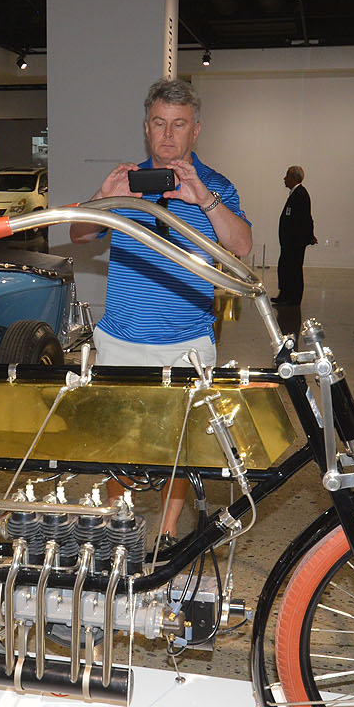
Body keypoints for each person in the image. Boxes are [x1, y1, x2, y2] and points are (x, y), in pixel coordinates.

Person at [69, 76, 252, 540]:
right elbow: (79, 235)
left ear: (196, 130)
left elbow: (242, 246)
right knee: (118, 444)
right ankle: (118, 529)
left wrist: (204, 201)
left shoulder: (216, 187)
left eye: (179, 125)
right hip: (122, 337)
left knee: (179, 450)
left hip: (187, 343)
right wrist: (102, 198)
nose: (168, 135)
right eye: (159, 123)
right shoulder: (125, 186)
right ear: (146, 128)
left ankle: (167, 533)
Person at [272, 165, 315, 304]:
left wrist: (308, 236)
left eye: (287, 176)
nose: (284, 179)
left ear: (294, 178)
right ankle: (284, 295)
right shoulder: (295, 194)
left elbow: (305, 218)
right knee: (286, 267)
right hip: (290, 242)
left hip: (294, 242)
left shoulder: (301, 194)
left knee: (293, 269)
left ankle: (292, 298)